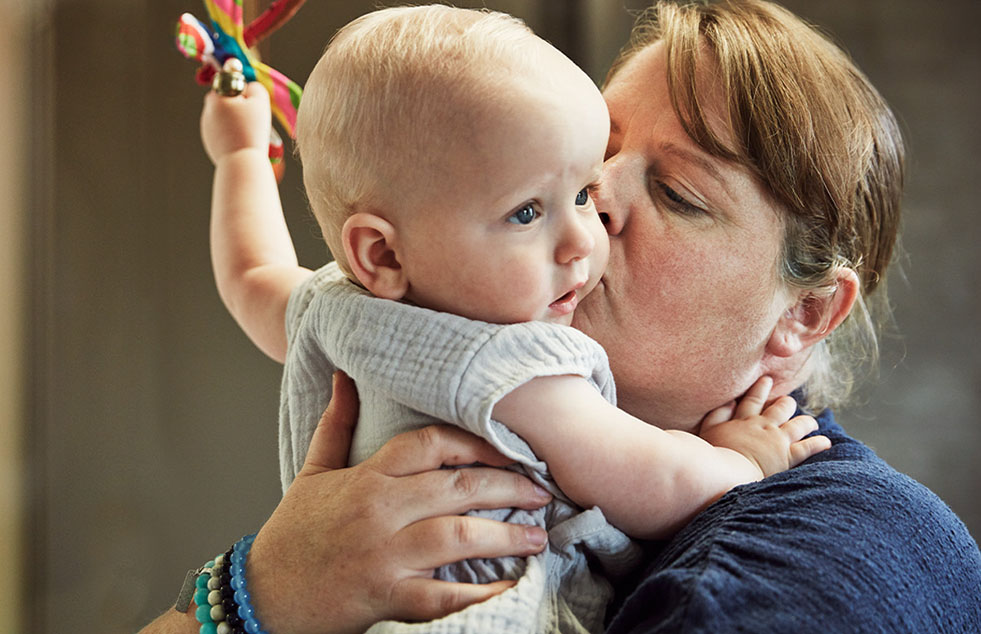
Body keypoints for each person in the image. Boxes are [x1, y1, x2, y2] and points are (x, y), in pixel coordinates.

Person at [142, 1, 981, 633]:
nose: (596, 205)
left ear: (804, 314)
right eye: (588, 162)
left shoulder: (811, 558)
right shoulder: (483, 352)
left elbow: (254, 273)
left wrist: (241, 156)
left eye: (678, 194)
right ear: (381, 254)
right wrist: (262, 590)